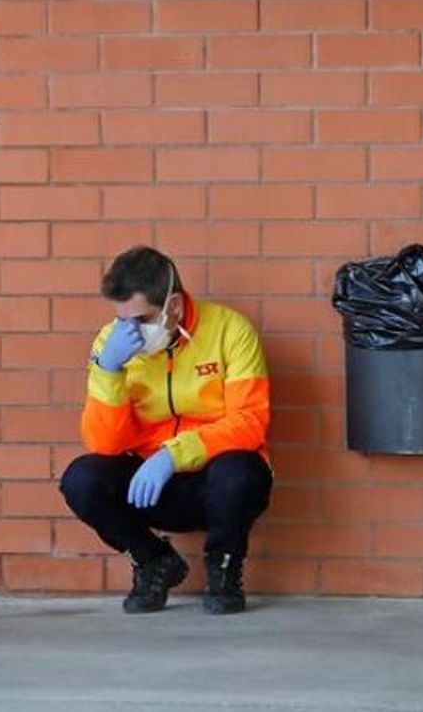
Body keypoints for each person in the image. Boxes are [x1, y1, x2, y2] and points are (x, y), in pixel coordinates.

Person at [59, 246, 273, 614]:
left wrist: (174, 454)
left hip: (214, 480)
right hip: (148, 483)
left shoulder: (230, 330)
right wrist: (108, 370)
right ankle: (153, 561)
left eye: (141, 319)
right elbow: (104, 443)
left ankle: (223, 570)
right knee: (82, 478)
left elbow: (250, 421)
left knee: (242, 472)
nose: (129, 331)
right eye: (121, 319)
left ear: (173, 306)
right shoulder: (111, 344)